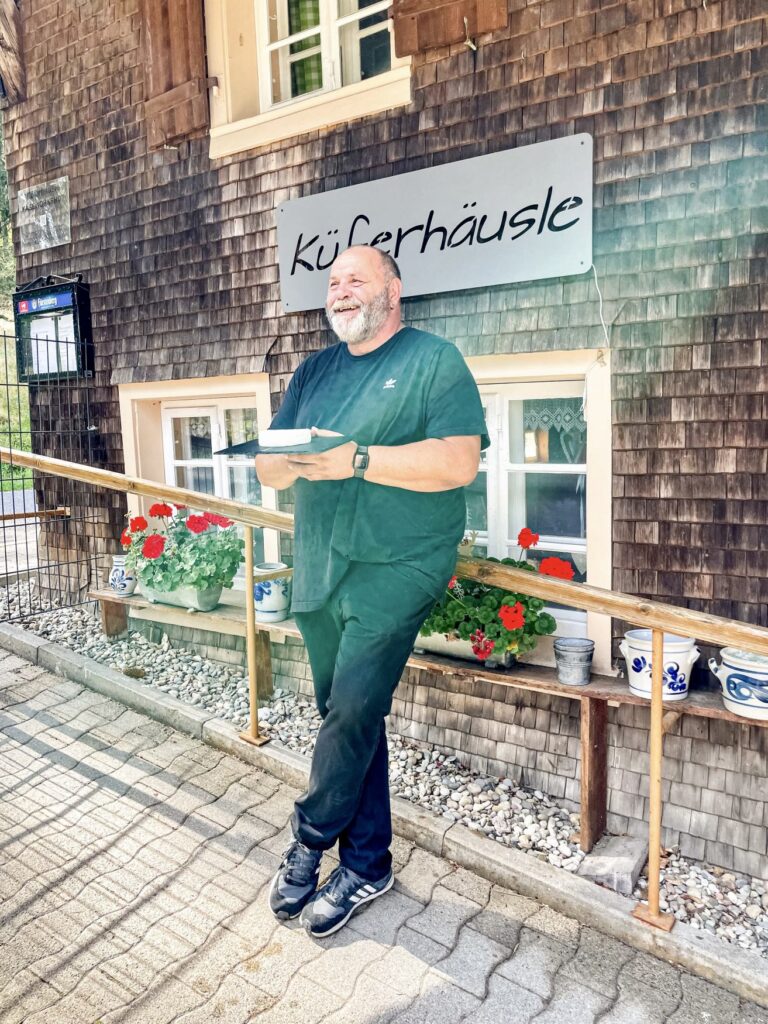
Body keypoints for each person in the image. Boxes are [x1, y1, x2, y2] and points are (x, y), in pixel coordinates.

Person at [255, 244, 489, 938]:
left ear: (394, 289)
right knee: (348, 718)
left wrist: (355, 458)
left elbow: (457, 462)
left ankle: (308, 842)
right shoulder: (315, 371)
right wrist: (290, 463)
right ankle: (368, 865)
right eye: (332, 283)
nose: (340, 290)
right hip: (324, 560)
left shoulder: (432, 360)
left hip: (402, 561)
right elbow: (269, 467)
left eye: (355, 278)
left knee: (352, 706)